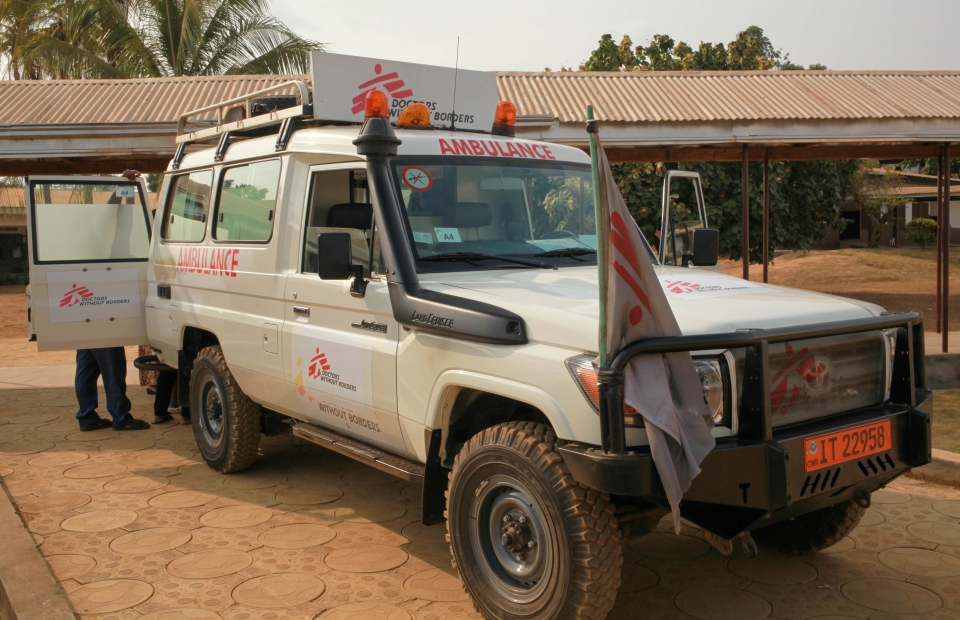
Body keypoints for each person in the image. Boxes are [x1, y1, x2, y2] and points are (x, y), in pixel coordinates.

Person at [74, 169, 151, 432]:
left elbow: (123, 223)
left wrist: (126, 191)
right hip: (103, 311)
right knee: (112, 366)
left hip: (86, 313)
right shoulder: (100, 246)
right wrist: (122, 188)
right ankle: (121, 417)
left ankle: (87, 416)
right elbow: (114, 219)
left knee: (86, 366)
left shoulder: (86, 246)